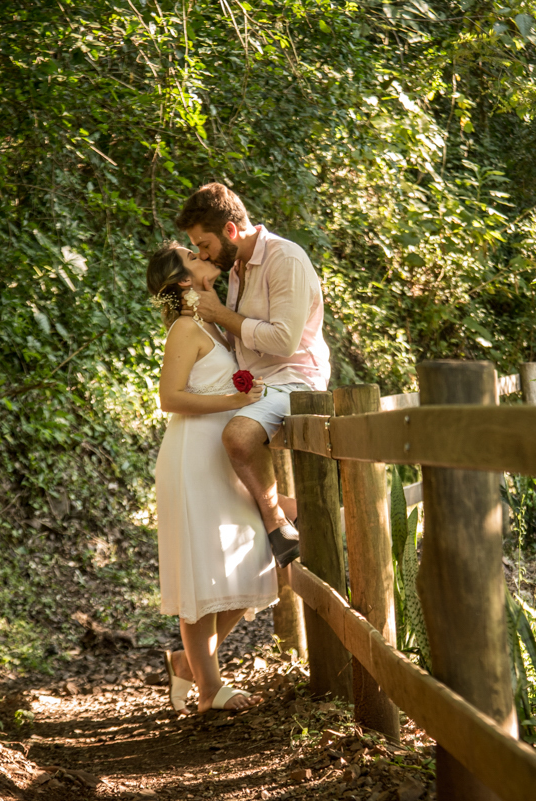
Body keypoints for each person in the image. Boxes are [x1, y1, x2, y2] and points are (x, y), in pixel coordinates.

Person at [147, 241, 278, 714]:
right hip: (192, 458)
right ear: (184, 280)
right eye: (196, 258)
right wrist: (236, 402)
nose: (208, 260)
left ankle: (189, 663)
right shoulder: (184, 329)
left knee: (253, 559)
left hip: (224, 457)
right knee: (201, 576)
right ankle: (209, 691)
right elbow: (170, 398)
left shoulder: (214, 325)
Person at [175, 182, 330, 568]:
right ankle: (282, 523)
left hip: (295, 379)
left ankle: (278, 523)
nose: (201, 253)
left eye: (204, 244)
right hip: (258, 385)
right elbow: (237, 339)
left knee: (238, 436)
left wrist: (220, 314)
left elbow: (283, 340)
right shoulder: (238, 266)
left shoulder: (285, 259)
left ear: (230, 230)